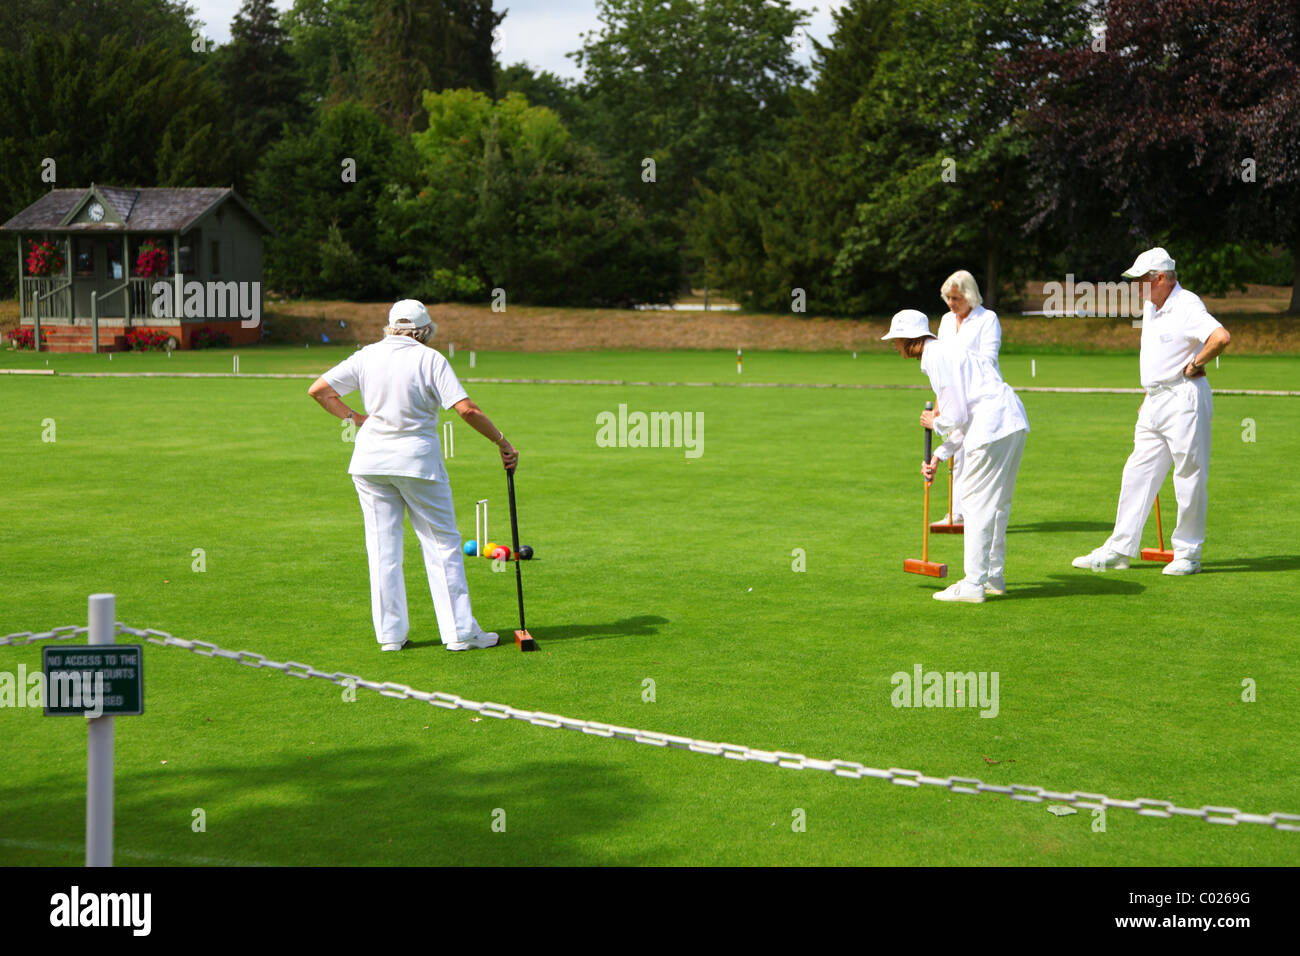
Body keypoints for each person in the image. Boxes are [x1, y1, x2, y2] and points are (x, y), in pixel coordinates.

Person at [308, 300, 518, 651]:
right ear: (424, 331)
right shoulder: (430, 358)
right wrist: (502, 442)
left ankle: (390, 637)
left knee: (381, 548)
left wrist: (357, 420)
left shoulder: (367, 355)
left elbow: (319, 390)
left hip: (369, 463)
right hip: (417, 464)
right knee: (442, 544)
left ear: (391, 326)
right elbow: (466, 409)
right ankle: (460, 634)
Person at [1072, 248, 1231, 576]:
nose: (1135, 287)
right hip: (1156, 400)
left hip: (1184, 398)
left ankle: (1188, 553)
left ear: (1160, 278)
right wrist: (1150, 393)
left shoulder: (1187, 304)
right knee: (1137, 471)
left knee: (1188, 474)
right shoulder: (1150, 306)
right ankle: (1120, 547)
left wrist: (1195, 364)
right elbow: (1159, 353)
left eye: (1140, 280)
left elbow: (1220, 337)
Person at [883, 309, 1029, 602]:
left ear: (910, 339)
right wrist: (941, 452)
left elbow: (956, 415)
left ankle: (974, 585)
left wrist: (933, 422)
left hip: (992, 426)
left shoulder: (936, 357)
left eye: (896, 339)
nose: (893, 345)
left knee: (975, 504)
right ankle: (993, 577)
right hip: (1011, 421)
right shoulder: (947, 352)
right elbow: (966, 415)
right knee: (997, 505)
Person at [933, 269, 1002, 527]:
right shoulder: (946, 321)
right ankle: (956, 513)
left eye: (956, 299)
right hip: (954, 398)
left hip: (982, 397)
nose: (951, 304)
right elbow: (941, 363)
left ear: (969, 296)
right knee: (956, 455)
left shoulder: (988, 319)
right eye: (948, 298)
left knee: (976, 456)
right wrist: (941, 401)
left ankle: (978, 514)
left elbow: (988, 359)